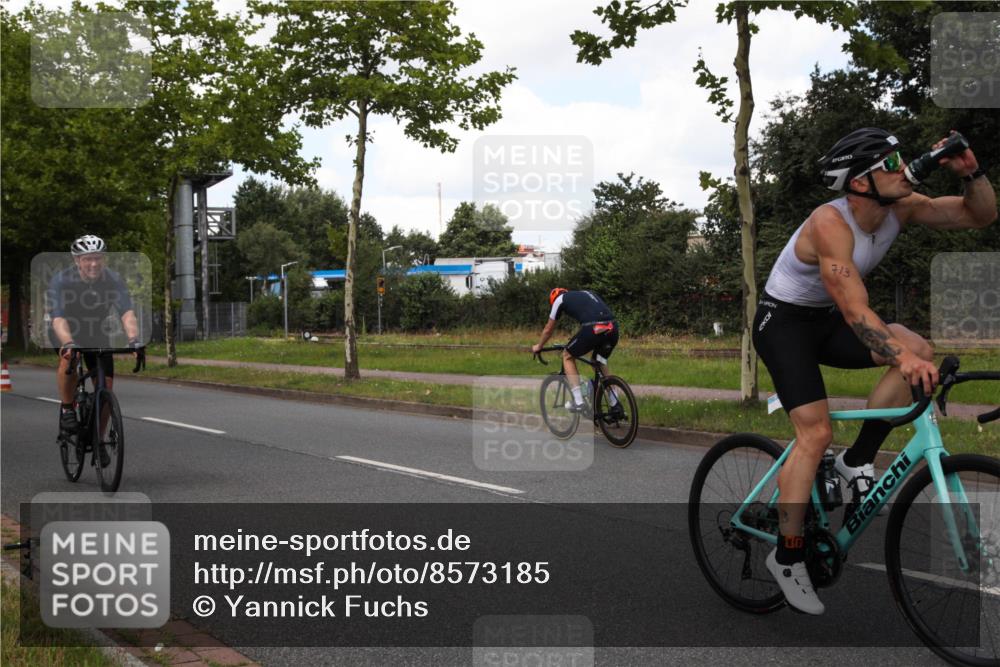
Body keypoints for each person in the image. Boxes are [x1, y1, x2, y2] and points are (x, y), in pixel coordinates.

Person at [752, 128, 996, 614]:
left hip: (826, 320)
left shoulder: (898, 207)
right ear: (859, 182)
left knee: (916, 345)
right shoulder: (830, 224)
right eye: (889, 164)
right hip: (784, 325)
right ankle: (786, 554)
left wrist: (972, 172)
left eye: (901, 159)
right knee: (815, 433)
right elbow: (856, 312)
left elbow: (980, 215)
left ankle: (857, 458)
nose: (902, 168)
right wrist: (900, 357)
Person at [48, 235, 144, 443]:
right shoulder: (62, 280)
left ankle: (98, 439)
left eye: (98, 258)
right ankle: (67, 409)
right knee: (69, 358)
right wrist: (68, 343)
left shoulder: (113, 279)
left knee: (106, 388)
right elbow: (58, 317)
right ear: (77, 260)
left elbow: (126, 312)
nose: (93, 263)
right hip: (66, 330)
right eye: (88, 258)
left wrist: (134, 339)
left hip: (96, 332)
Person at [531, 288, 622, 416]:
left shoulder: (558, 300)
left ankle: (579, 401)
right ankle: (615, 404)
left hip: (594, 327)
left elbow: (548, 329)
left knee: (567, 355)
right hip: (613, 328)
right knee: (598, 361)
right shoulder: (587, 293)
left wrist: (539, 346)